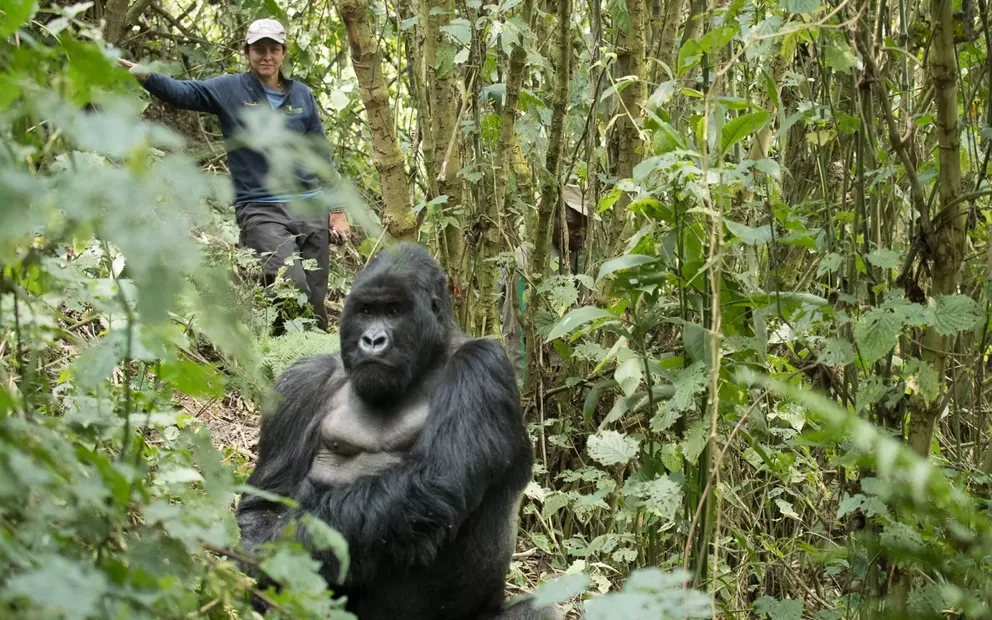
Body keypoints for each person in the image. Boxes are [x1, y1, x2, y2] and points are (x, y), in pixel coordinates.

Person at [119, 18, 349, 332]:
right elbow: (184, 93)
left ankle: (309, 371)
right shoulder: (230, 89)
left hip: (310, 208)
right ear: (247, 52)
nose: (266, 56)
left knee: (315, 302)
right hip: (261, 210)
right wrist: (143, 74)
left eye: (273, 49)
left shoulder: (302, 96)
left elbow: (321, 156)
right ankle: (288, 367)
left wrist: (336, 210)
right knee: (291, 286)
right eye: (258, 50)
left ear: (283, 53)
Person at [498, 184, 597, 384]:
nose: (579, 233)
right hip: (536, 375)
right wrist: (522, 389)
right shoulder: (525, 262)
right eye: (572, 225)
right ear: (552, 220)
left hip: (565, 370)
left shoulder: (579, 255)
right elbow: (515, 334)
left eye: (583, 226)